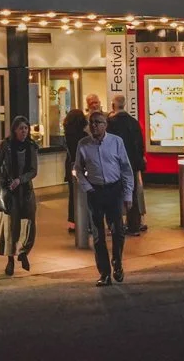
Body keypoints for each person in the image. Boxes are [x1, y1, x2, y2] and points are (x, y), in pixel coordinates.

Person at [72, 110, 133, 286]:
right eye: (91, 122)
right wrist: (88, 188)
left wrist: (128, 194)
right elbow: (78, 169)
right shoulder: (83, 144)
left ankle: (117, 261)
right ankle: (104, 272)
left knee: (118, 230)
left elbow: (126, 169)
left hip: (114, 190)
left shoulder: (116, 142)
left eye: (98, 122)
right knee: (98, 235)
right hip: (95, 191)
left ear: (105, 125)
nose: (94, 126)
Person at [0, 117, 39, 276]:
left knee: (29, 223)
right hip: (10, 192)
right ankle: (10, 260)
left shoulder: (31, 146)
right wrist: (3, 179)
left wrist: (20, 180)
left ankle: (23, 252)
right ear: (14, 130)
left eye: (26, 128)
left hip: (25, 190)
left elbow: (33, 170)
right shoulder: (6, 145)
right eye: (21, 128)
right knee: (10, 226)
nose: (24, 131)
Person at [106, 94, 148, 235]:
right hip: (132, 164)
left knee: (114, 195)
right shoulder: (133, 122)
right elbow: (140, 144)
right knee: (132, 194)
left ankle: (116, 225)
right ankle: (134, 225)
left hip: (115, 164)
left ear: (113, 106)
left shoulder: (111, 123)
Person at [62, 101, 89, 232]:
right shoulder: (84, 137)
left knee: (72, 195)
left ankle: (73, 221)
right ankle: (86, 221)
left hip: (70, 166)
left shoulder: (67, 136)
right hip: (83, 168)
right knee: (85, 194)